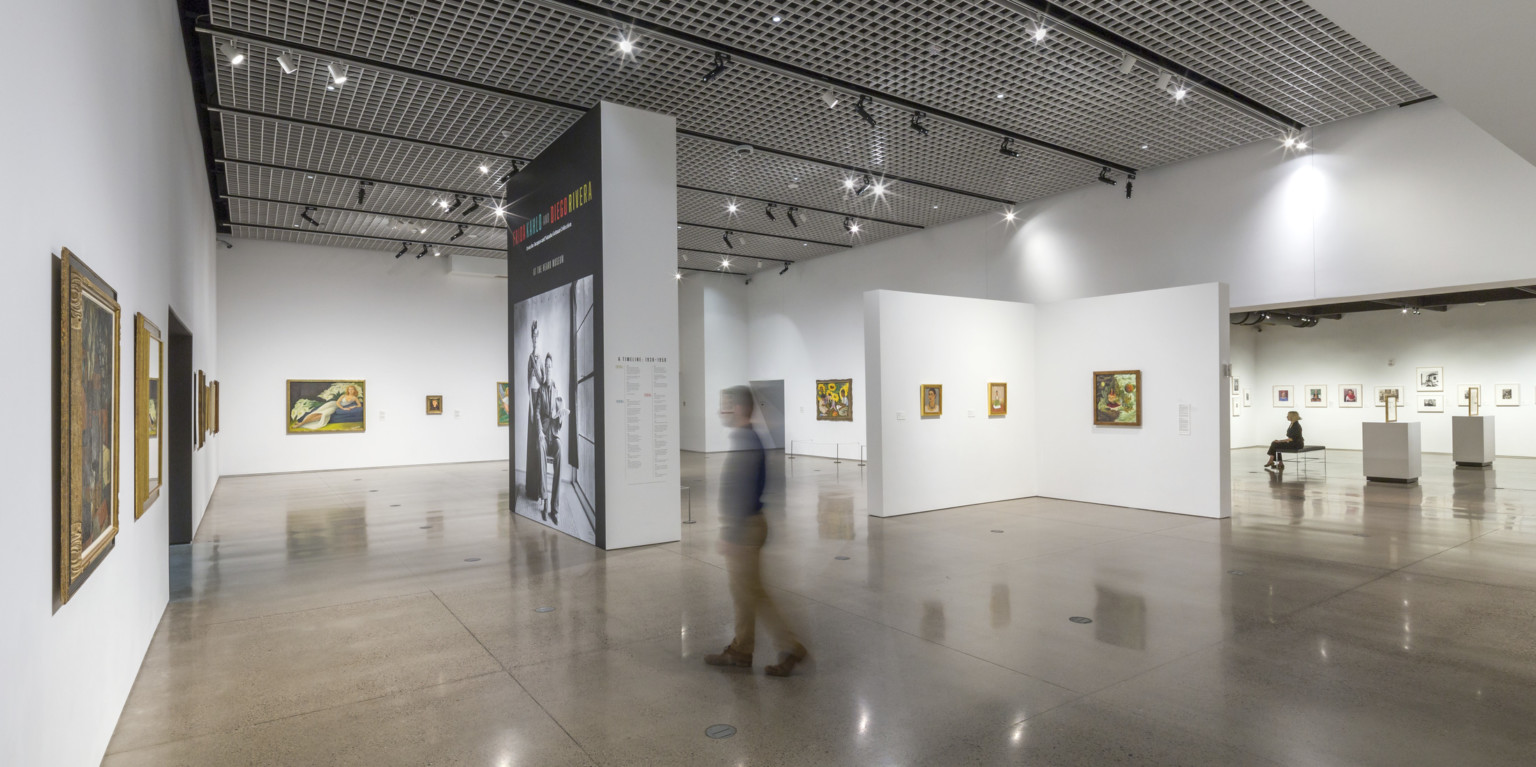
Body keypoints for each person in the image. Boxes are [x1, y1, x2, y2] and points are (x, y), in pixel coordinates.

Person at [705, 385, 808, 677]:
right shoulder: (747, 438)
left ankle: (790, 646)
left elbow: (744, 490)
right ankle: (742, 649)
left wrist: (731, 533)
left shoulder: (747, 440)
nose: (720, 411)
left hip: (745, 528)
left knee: (752, 593)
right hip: (748, 525)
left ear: (737, 408)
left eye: (724, 405)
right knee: (746, 592)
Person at [539, 354, 563, 523]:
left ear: (552, 369)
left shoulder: (557, 390)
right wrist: (540, 431)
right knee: (540, 446)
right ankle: (545, 501)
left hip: (554, 433)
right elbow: (537, 413)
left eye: (550, 366)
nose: (548, 368)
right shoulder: (540, 390)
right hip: (543, 432)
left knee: (560, 450)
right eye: (546, 366)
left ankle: (554, 508)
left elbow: (559, 419)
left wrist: (561, 417)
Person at [524, 322, 545, 500]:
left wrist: (538, 367)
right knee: (531, 444)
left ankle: (540, 489)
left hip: (541, 401)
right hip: (532, 400)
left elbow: (543, 381)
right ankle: (531, 489)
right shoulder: (530, 358)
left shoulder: (541, 359)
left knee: (540, 443)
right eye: (533, 336)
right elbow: (527, 385)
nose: (535, 339)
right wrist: (531, 407)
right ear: (531, 339)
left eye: (537, 336)